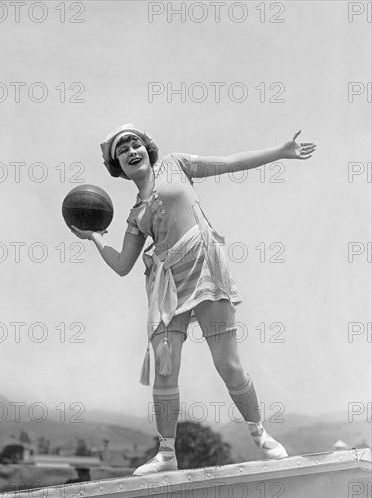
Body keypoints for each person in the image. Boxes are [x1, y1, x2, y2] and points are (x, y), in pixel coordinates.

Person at [71, 123, 316, 475]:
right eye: (121, 150)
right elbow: (123, 264)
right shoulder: (136, 215)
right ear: (118, 168)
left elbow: (231, 162)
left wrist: (279, 152)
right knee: (165, 371)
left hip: (204, 270)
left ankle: (259, 433)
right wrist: (95, 237)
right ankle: (166, 453)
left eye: (134, 143)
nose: (130, 150)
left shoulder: (176, 165)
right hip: (166, 286)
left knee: (229, 366)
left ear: (147, 149)